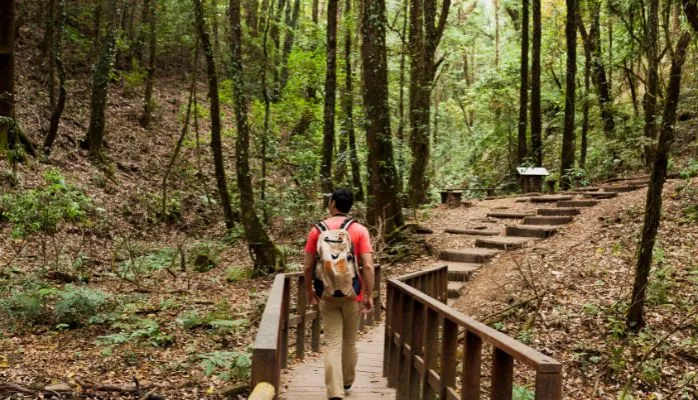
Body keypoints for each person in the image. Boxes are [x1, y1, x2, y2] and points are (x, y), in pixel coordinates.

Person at [303, 188, 375, 400]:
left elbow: (307, 266)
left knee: (333, 341)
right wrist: (369, 294)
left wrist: (309, 290)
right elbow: (368, 266)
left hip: (326, 293)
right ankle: (346, 381)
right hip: (352, 292)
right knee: (350, 341)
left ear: (332, 204)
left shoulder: (317, 230)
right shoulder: (360, 230)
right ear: (350, 205)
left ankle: (335, 391)